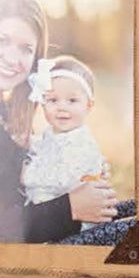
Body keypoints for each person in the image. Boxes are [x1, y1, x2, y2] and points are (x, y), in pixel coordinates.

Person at [0, 0, 117, 244]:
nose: (12, 58)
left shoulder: (8, 116)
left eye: (26, 49)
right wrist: (71, 207)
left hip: (41, 243)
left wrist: (82, 175)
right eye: (2, 41)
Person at [21, 57, 110, 205]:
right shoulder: (52, 133)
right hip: (51, 207)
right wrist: (29, 142)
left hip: (76, 216)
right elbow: (46, 148)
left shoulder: (82, 144)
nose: (62, 107)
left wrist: (27, 174)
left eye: (72, 100)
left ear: (89, 105)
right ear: (43, 104)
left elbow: (63, 179)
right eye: (53, 100)